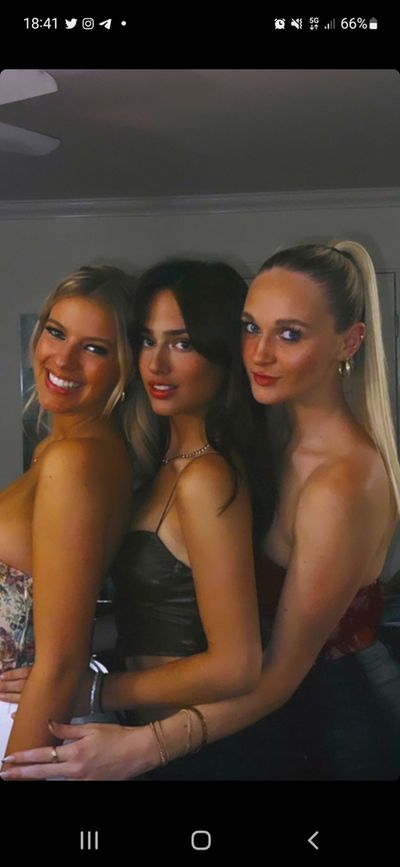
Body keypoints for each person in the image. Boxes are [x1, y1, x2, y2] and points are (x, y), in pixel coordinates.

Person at [3, 241, 400, 781]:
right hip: (244, 723)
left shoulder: (335, 481)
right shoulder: (261, 448)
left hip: (337, 724)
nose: (259, 353)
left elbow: (262, 669)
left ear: (349, 341)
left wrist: (100, 695)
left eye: (289, 334)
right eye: (250, 328)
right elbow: (177, 605)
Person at [0, 258, 266, 778]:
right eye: (147, 340)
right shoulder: (154, 465)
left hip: (181, 749)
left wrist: (95, 687)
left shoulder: (201, 475)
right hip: (125, 735)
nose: (157, 364)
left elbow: (238, 664)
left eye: (182, 343)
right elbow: (148, 616)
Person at [0, 264, 136, 765]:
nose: (62, 358)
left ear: (124, 367)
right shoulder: (57, 452)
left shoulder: (75, 461)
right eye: (56, 333)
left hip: (23, 727)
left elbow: (60, 664)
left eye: (94, 348)